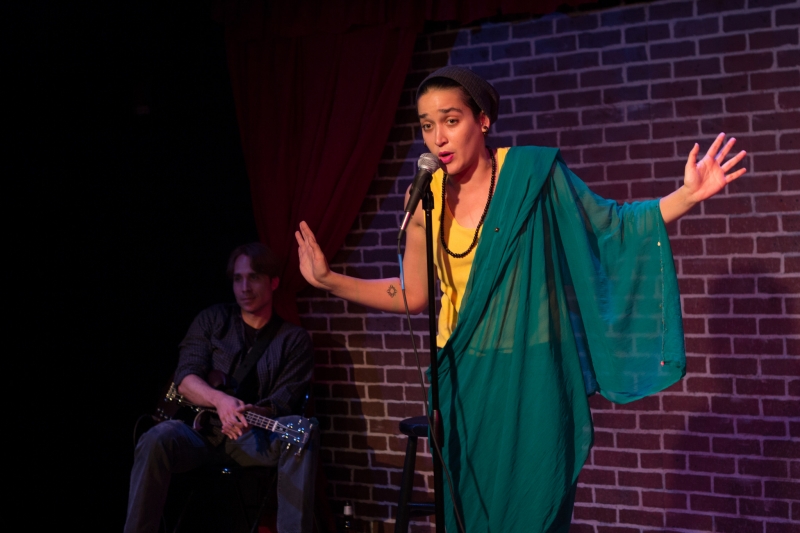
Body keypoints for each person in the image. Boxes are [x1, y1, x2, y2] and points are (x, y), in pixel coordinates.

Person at [295, 66, 747, 533]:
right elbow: (414, 296)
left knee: (534, 509)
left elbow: (609, 225)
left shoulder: (532, 175)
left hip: (534, 378)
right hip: (464, 383)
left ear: (483, 120)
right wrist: (330, 280)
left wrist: (688, 195)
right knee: (471, 515)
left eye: (451, 120)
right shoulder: (423, 196)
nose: (438, 138)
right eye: (427, 125)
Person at [124, 242, 318, 533]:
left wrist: (252, 413)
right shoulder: (212, 320)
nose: (244, 287)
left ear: (273, 282)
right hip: (198, 434)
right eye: (238, 278)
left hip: (252, 437)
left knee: (301, 430)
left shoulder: (294, 339)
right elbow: (185, 377)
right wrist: (221, 402)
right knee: (156, 437)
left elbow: (283, 403)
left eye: (253, 277)